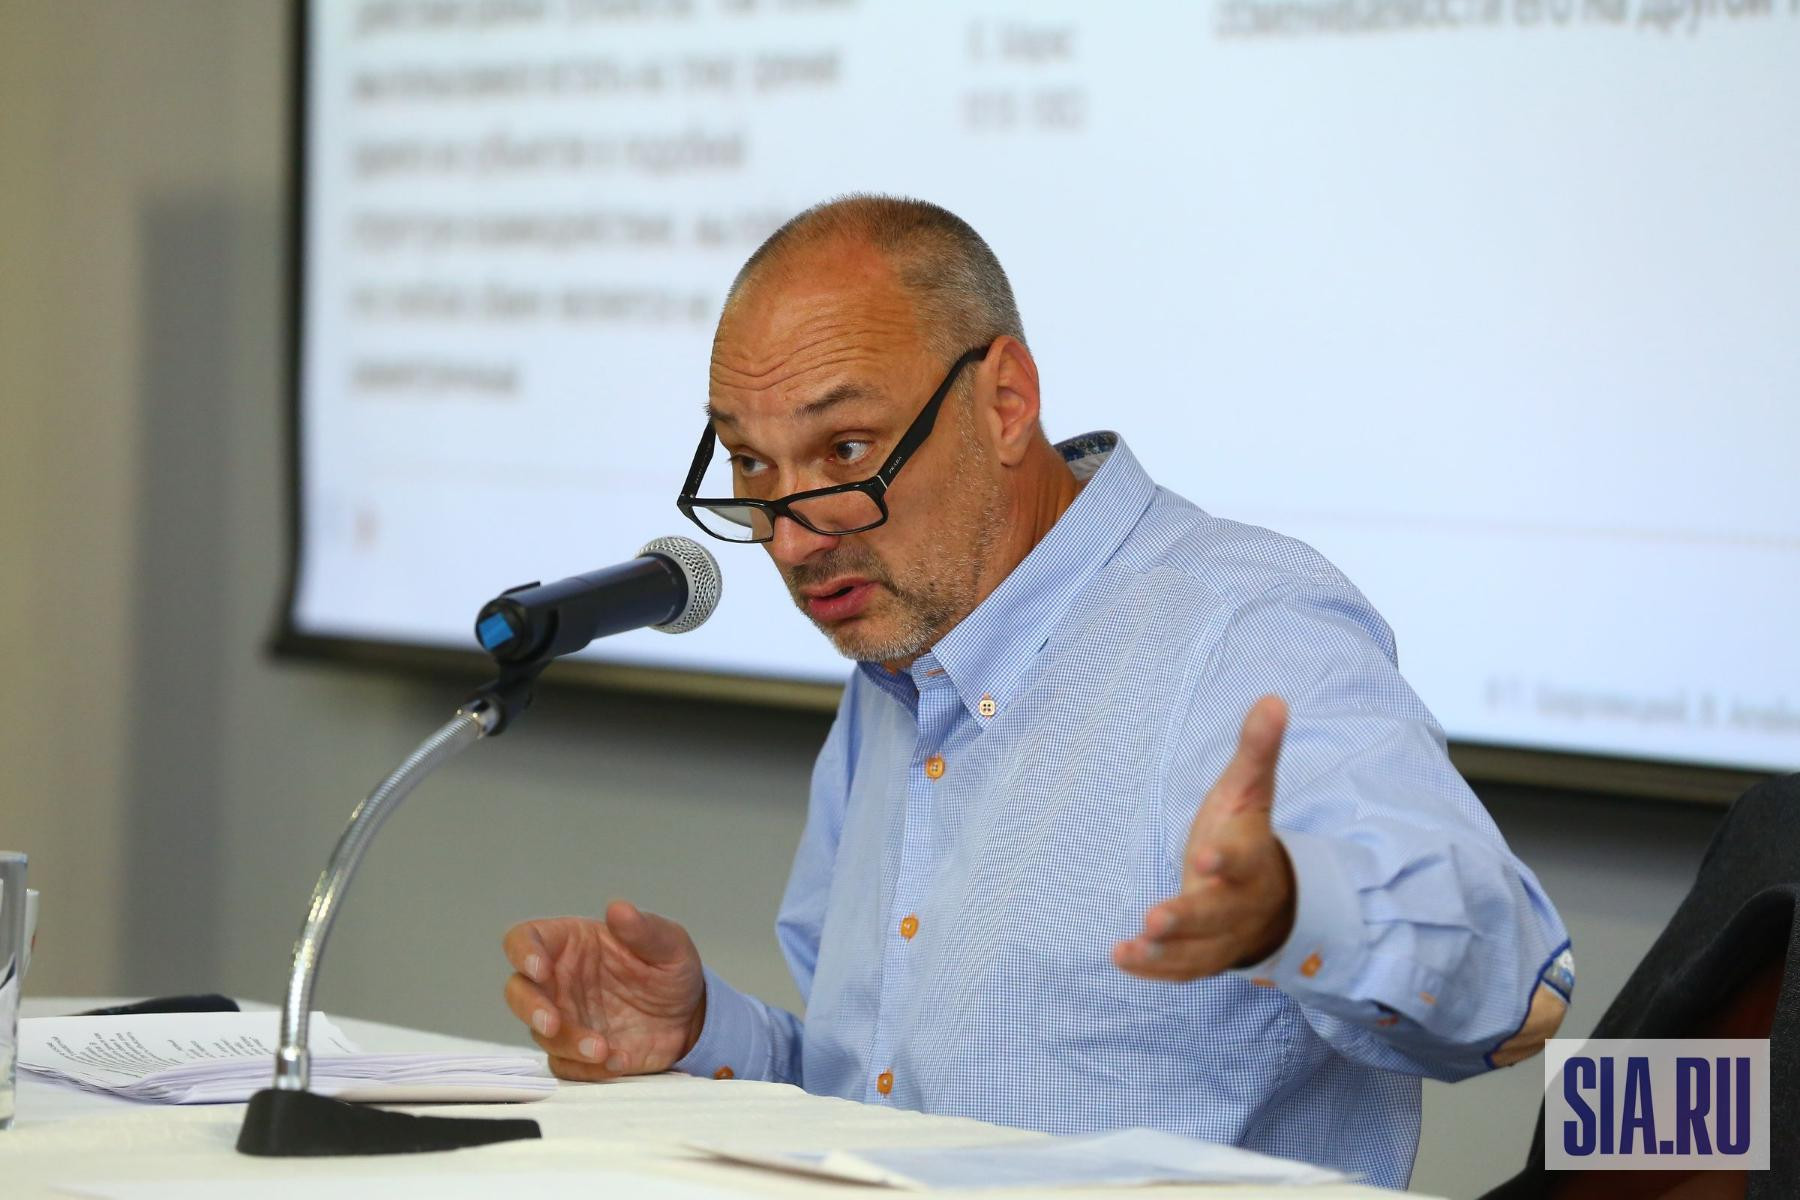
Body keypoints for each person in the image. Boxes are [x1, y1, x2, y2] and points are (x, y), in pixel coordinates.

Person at [502, 195, 1574, 1187]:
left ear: (1005, 401)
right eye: (750, 466)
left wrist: (1298, 908)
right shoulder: (900, 663)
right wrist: (700, 1038)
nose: (793, 538)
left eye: (846, 449)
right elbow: (881, 1109)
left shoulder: (1241, 632)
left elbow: (1522, 992)